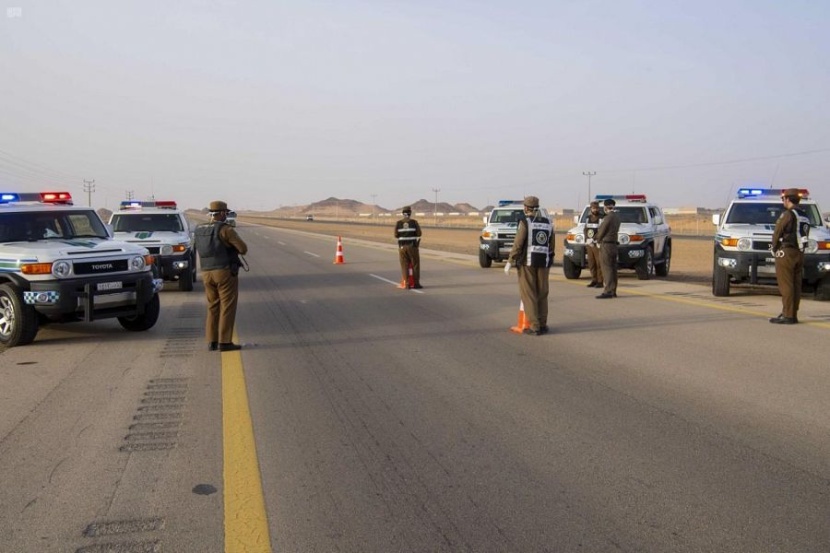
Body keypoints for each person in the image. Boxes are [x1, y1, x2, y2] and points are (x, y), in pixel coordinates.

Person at [194, 200, 249, 351]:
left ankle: (211, 341)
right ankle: (224, 342)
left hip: (206, 272)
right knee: (227, 306)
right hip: (224, 272)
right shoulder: (225, 229)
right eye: (226, 213)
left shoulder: (199, 229)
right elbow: (243, 249)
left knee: (212, 306)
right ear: (223, 213)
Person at [506, 196, 554, 335]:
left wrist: (510, 261)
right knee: (542, 294)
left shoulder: (525, 222)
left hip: (528, 263)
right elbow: (551, 246)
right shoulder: (549, 223)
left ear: (526, 208)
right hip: (544, 263)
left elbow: (518, 243)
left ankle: (535, 326)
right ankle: (543, 324)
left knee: (529, 294)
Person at [769, 188, 807, 324]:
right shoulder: (803, 214)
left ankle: (788, 315)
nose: (783, 201)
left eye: (783, 199)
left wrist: (774, 248)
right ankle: (793, 312)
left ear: (787, 199)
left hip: (787, 252)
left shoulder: (788, 214)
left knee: (786, 285)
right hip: (800, 252)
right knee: (796, 285)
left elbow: (778, 232)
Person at [593, 198, 621, 299]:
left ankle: (608, 290)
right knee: (613, 269)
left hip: (606, 245)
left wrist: (595, 239)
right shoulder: (617, 217)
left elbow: (602, 231)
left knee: (607, 268)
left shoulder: (608, 218)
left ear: (605, 207)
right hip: (614, 245)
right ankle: (613, 290)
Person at [395, 206, 423, 289]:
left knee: (404, 265)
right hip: (412, 247)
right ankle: (416, 284)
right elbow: (419, 234)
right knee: (415, 265)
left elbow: (396, 235)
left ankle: (406, 284)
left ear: (403, 214)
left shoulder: (398, 223)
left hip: (402, 247)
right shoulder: (414, 222)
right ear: (410, 213)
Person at [584, 200, 604, 288]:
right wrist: (587, 239)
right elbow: (585, 229)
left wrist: (594, 239)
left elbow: (601, 231)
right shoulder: (588, 218)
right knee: (591, 263)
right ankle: (594, 280)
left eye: (596, 208)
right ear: (591, 209)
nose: (595, 210)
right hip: (589, 244)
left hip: (597, 244)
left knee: (598, 263)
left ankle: (600, 281)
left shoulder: (601, 218)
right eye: (593, 208)